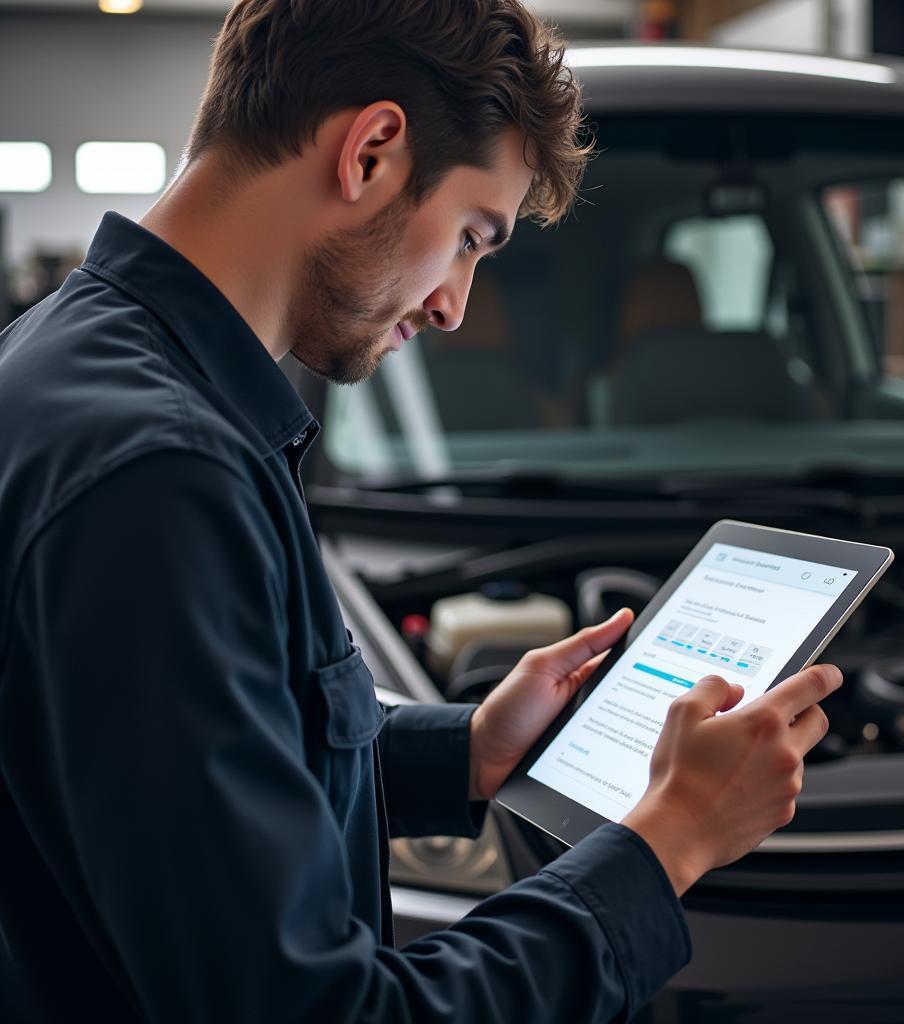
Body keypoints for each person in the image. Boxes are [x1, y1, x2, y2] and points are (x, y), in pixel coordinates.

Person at [0, 1, 841, 1021]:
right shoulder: (158, 474)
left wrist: (469, 749)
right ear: (373, 152)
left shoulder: (83, 371)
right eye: (471, 238)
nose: (453, 305)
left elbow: (170, 786)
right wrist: (666, 844)